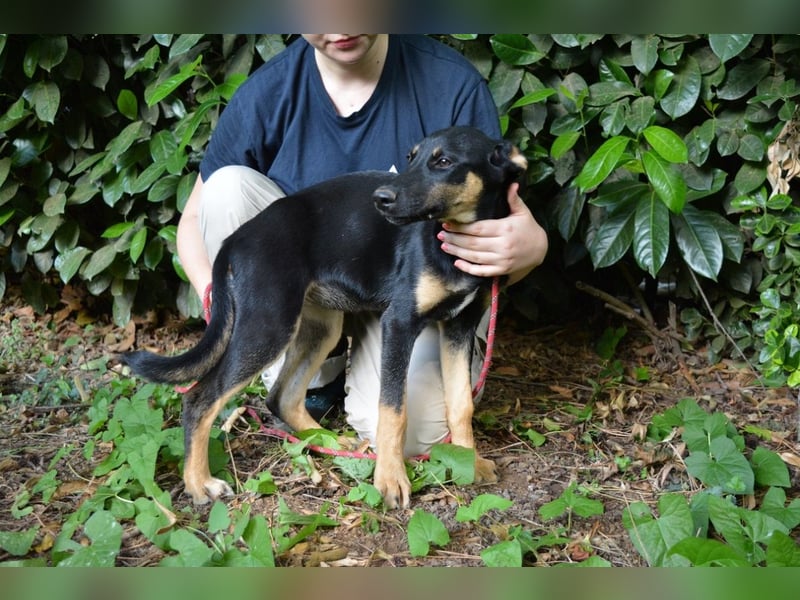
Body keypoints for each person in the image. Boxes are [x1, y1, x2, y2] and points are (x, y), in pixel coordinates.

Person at [176, 34, 548, 457]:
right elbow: (192, 219)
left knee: (416, 438)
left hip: (405, 282)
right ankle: (312, 376)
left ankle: (334, 375)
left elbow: (490, 212)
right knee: (225, 187)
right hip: (295, 269)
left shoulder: (451, 84)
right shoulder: (266, 92)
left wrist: (533, 249)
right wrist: (225, 302)